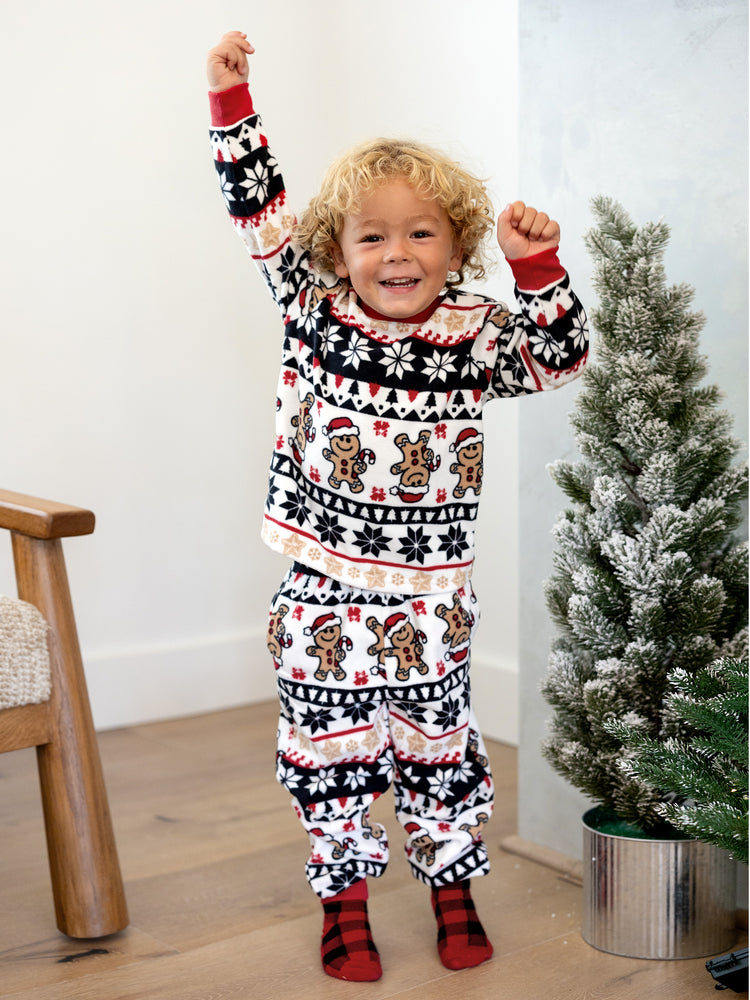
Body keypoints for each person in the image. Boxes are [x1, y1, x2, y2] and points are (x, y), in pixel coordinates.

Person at [207, 30, 588, 983]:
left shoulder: (473, 334)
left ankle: (450, 887)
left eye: (421, 232)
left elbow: (560, 359)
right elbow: (258, 210)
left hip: (431, 593)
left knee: (437, 740)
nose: (397, 253)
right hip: (321, 582)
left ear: (457, 243)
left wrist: (535, 270)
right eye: (371, 235)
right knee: (327, 745)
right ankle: (342, 904)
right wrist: (232, 99)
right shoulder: (311, 309)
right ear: (336, 250)